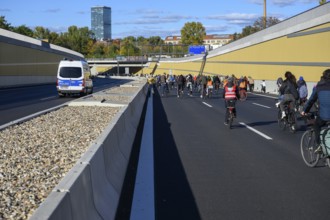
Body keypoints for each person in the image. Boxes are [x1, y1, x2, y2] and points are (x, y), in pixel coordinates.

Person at [302, 69, 330, 151]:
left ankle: (319, 145)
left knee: (316, 125)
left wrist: (305, 111)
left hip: (324, 116)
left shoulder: (319, 87)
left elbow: (311, 100)